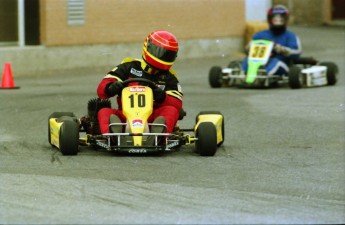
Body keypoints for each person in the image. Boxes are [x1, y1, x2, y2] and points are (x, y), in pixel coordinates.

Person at [96, 30, 183, 139]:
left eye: (167, 55)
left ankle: (158, 136)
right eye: (159, 51)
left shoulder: (170, 77)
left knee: (171, 111)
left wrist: (162, 97)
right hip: (125, 116)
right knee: (104, 111)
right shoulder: (129, 67)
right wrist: (110, 88)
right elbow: (101, 90)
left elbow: (177, 105)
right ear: (148, 47)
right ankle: (113, 136)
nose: (162, 57)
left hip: (152, 117)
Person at [242, 5, 302, 76]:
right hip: (258, 61)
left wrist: (282, 50)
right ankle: (244, 74)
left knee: (275, 62)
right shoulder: (259, 35)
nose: (278, 21)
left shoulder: (290, 36)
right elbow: (247, 50)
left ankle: (263, 75)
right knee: (247, 59)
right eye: (275, 19)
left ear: (285, 20)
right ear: (270, 20)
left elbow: (297, 53)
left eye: (281, 19)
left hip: (280, 62)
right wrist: (249, 48)